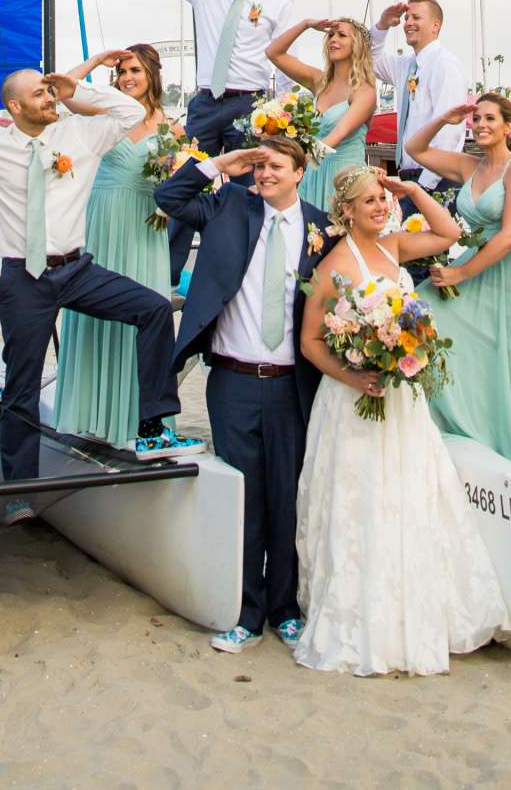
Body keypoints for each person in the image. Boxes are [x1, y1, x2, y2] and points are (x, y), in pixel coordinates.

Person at [0, 61, 195, 485]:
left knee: (155, 308)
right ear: (14, 106)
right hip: (24, 279)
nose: (49, 98)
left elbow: (128, 113)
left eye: (50, 90)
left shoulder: (79, 134)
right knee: (21, 385)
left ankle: (152, 428)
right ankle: (20, 489)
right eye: (40, 93)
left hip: (76, 270)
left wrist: (76, 91)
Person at [294, 163, 509, 676]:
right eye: (369, 201)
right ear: (345, 211)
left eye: (381, 200)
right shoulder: (332, 268)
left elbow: (450, 233)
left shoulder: (394, 246)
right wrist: (356, 378)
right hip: (355, 402)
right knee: (361, 502)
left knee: (410, 496)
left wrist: (409, 188)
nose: (380, 207)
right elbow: (311, 342)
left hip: (403, 403)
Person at [153, 136, 340, 653]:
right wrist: (220, 164)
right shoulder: (230, 203)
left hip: (293, 384)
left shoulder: (323, 226)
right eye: (259, 166)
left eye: (275, 166)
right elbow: (168, 199)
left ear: (300, 171)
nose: (264, 174)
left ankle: (285, 608)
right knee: (244, 499)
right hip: (233, 380)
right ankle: (245, 613)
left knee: (286, 499)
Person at [406, 93, 511, 471]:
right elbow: (413, 148)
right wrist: (444, 117)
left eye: (490, 119)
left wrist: (458, 273)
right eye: (477, 119)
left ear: (508, 126)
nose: (481, 125)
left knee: (502, 360)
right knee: (422, 313)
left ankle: (507, 453)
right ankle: (458, 431)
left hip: (507, 272)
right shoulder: (468, 166)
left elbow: (510, 236)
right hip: (476, 262)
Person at [155, 0, 293, 284]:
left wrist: (284, 108)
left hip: (249, 104)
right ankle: (168, 272)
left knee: (250, 184)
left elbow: (285, 58)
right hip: (205, 102)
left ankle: (247, 266)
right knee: (189, 177)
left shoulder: (276, 2)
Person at [52, 44, 172, 448]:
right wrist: (96, 60)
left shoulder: (170, 126)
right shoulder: (105, 110)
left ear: (152, 73)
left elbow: (181, 180)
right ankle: (93, 414)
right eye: (121, 72)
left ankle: (141, 419)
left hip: (144, 227)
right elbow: (62, 90)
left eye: (134, 70)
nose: (126, 78)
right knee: (99, 314)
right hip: (103, 221)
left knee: (149, 314)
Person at [264, 15, 378, 211]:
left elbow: (339, 134)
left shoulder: (364, 91)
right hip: (313, 174)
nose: (333, 39)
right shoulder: (319, 81)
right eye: (331, 35)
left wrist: (296, 161)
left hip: (343, 178)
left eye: (342, 35)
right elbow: (274, 53)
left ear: (357, 45)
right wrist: (305, 24)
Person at [369, 0, 469, 184]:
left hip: (435, 178)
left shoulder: (445, 64)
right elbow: (371, 61)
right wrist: (382, 26)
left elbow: (449, 129)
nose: (408, 23)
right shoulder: (406, 65)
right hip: (408, 175)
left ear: (435, 26)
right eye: (406, 18)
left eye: (416, 17)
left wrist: (428, 183)